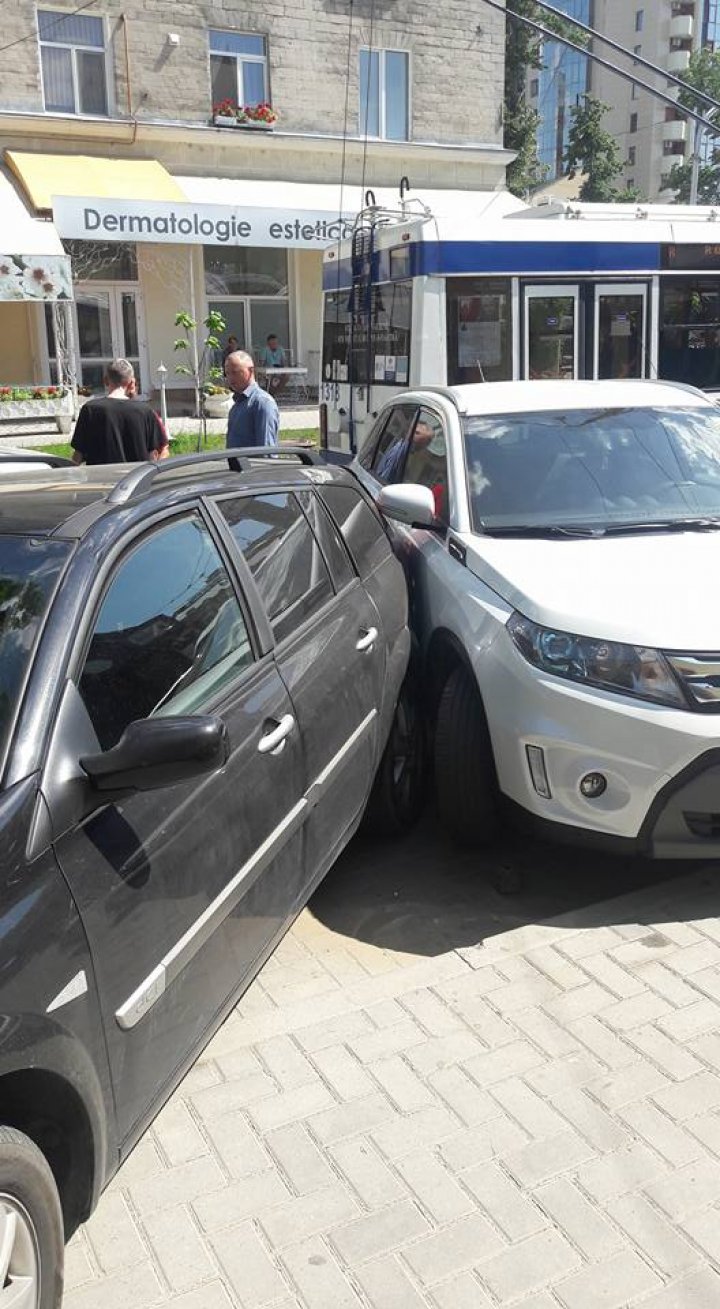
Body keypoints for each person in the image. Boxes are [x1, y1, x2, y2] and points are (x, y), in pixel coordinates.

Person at [72, 359, 169, 465]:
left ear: (105, 380)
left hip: (100, 479)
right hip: (135, 480)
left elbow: (78, 455)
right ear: (132, 382)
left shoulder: (89, 410)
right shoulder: (146, 411)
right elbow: (162, 450)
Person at [225, 349, 279, 449]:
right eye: (227, 373)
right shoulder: (238, 403)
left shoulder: (262, 403)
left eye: (235, 372)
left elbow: (267, 451)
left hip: (253, 464)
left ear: (251, 371)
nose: (230, 378)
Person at [259, 333, 287, 397]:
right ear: (268, 343)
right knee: (271, 377)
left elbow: (284, 362)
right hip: (268, 372)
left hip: (279, 370)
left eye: (276, 343)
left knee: (286, 376)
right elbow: (261, 363)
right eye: (273, 343)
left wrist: (284, 367)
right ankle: (272, 394)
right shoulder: (265, 350)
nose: (275, 345)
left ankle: (275, 393)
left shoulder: (280, 349)